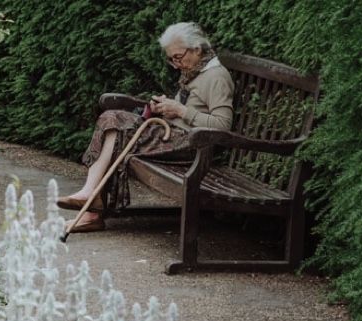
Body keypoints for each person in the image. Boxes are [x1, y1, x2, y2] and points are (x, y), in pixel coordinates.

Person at [57, 22, 235, 232]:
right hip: (173, 136)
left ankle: (91, 207)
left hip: (192, 147)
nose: (175, 64)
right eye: (171, 59)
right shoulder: (195, 71)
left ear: (197, 49)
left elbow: (223, 126)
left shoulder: (216, 77)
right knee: (111, 120)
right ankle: (90, 201)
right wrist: (163, 107)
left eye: (178, 57)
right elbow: (187, 109)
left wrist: (180, 111)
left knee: (116, 126)